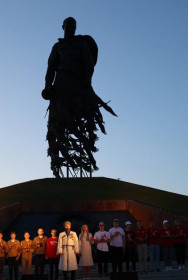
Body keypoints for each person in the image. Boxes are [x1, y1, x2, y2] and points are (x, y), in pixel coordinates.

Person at [43, 17, 117, 177]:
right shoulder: (57, 46)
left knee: (85, 118)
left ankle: (87, 154)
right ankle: (57, 162)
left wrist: (86, 80)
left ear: (75, 28)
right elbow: (50, 68)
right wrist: (48, 86)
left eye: (73, 26)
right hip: (61, 84)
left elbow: (89, 64)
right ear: (63, 26)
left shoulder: (82, 43)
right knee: (56, 124)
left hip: (77, 83)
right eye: (68, 26)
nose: (70, 28)